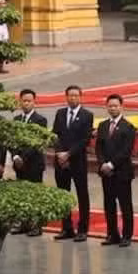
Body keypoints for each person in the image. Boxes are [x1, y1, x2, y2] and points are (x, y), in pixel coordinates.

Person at [51, 85, 93, 241]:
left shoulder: (87, 115)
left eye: (75, 95)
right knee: (63, 195)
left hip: (77, 161)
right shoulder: (60, 113)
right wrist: (60, 154)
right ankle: (66, 228)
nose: (72, 98)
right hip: (61, 161)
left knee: (82, 195)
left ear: (80, 97)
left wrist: (68, 154)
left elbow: (85, 139)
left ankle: (83, 229)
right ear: (66, 97)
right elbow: (55, 135)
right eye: (70, 95)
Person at [96, 95, 136, 246]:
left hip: (122, 172)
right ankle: (112, 234)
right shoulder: (103, 125)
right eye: (110, 106)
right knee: (109, 204)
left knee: (125, 205)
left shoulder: (128, 127)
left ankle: (127, 235)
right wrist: (102, 164)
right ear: (106, 107)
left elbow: (126, 151)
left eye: (115, 106)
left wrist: (111, 164)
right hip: (106, 173)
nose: (113, 108)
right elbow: (98, 147)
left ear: (121, 107)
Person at [11, 88, 49, 234]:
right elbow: (12, 141)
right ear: (20, 102)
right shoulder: (16, 120)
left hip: (34, 164)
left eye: (29, 101)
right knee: (22, 194)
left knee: (35, 195)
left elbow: (36, 142)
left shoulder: (40, 120)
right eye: (24, 101)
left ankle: (36, 226)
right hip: (19, 164)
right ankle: (23, 224)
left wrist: (23, 157)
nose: (26, 103)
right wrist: (15, 156)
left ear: (34, 102)